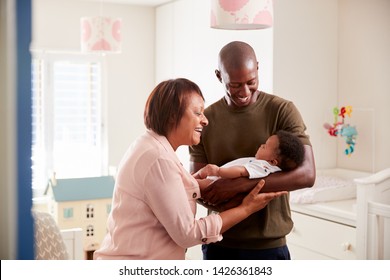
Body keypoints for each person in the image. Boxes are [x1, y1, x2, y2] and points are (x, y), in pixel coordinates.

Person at [93, 78, 287, 260]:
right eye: (197, 112)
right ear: (172, 116)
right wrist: (246, 209)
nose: (205, 120)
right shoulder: (159, 158)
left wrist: (217, 182)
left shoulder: (151, 146)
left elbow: (172, 190)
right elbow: (188, 234)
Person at [189, 41, 316, 260]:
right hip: (219, 242)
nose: (244, 91)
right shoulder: (205, 120)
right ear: (219, 76)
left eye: (251, 81)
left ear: (257, 67)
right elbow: (195, 185)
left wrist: (240, 184)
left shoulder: (282, 111)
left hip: (269, 245)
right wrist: (220, 193)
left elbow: (306, 174)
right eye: (235, 85)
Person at [195, 130, 305, 190]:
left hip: (216, 181)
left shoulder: (263, 167)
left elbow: (241, 171)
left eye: (265, 146)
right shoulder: (262, 163)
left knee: (193, 184)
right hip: (215, 176)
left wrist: (218, 171)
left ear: (272, 162)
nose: (261, 145)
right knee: (192, 179)